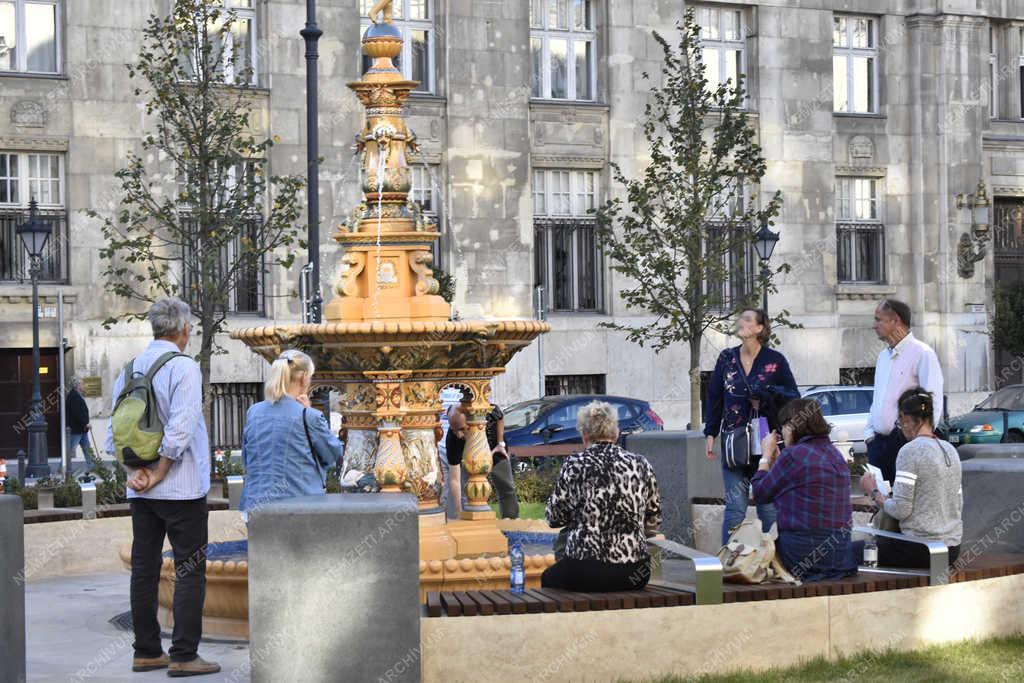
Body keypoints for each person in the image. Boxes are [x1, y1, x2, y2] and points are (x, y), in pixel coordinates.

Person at [104, 297, 220, 677]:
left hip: (141, 491)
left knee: (144, 569)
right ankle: (184, 655)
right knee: (189, 569)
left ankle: (146, 651)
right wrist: (160, 471)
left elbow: (115, 431)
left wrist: (135, 471)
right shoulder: (184, 367)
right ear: (184, 330)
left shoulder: (129, 368)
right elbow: (181, 428)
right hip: (181, 488)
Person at [542, 400, 661, 591]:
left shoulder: (574, 464)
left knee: (548, 578)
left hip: (584, 571)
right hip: (634, 572)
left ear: (584, 434)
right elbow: (653, 519)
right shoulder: (640, 464)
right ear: (616, 433)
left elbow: (554, 518)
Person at [704, 308, 800, 544]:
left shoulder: (775, 360)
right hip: (734, 441)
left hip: (766, 442)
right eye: (741, 318)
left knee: (767, 508)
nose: (740, 322)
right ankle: (728, 559)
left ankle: (772, 557)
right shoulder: (726, 358)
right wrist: (710, 433)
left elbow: (793, 397)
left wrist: (767, 393)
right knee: (735, 508)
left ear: (759, 328)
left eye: (747, 319)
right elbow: (714, 396)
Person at [751, 399, 856, 581]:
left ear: (792, 426)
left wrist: (765, 457)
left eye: (783, 426)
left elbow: (760, 493)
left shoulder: (793, 455)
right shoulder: (834, 453)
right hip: (839, 555)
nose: (782, 432)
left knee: (749, 555)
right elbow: (799, 485)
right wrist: (778, 463)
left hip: (801, 553)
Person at [858, 387, 962, 568]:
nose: (900, 427)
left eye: (899, 422)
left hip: (920, 548)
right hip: (951, 549)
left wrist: (873, 491)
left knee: (850, 551)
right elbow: (956, 502)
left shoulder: (910, 451)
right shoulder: (950, 449)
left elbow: (901, 510)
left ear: (905, 418)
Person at [239, 349, 343, 518]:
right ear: (304, 377)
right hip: (299, 508)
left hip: (254, 506)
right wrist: (309, 410)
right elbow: (333, 454)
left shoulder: (254, 412)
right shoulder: (309, 416)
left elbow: (246, 458)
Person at [866, 299, 944, 485]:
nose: (874, 326)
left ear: (896, 321)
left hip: (907, 442)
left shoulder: (923, 353)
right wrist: (869, 434)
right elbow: (878, 398)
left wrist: (922, 441)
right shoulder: (882, 357)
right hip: (878, 444)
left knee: (907, 498)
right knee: (881, 498)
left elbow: (933, 400)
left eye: (878, 319)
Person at [444, 399, 519, 518]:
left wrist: (500, 443)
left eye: (462, 429)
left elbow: (499, 416)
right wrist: (459, 512)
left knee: (506, 487)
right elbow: (454, 480)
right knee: (466, 491)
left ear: (471, 418)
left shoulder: (484, 410)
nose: (459, 435)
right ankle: (470, 521)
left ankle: (512, 522)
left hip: (494, 449)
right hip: (469, 460)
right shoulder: (453, 439)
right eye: (454, 430)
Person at [66, 376, 97, 474]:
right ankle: (63, 468)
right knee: (70, 450)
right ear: (78, 385)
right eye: (82, 384)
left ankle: (92, 466)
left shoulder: (77, 395)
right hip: (76, 429)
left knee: (87, 448)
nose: (84, 386)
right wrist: (85, 423)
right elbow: (76, 413)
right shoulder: (74, 396)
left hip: (81, 429)